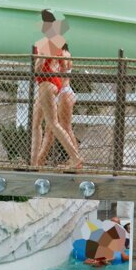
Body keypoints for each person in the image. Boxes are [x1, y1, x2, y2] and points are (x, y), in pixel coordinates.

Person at [28, 10, 83, 173]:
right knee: (37, 123)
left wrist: (36, 66)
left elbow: (40, 65)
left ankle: (76, 158)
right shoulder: (58, 43)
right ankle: (34, 163)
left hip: (47, 82)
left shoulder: (47, 43)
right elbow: (61, 65)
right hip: (51, 83)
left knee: (53, 124)